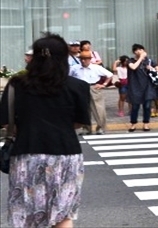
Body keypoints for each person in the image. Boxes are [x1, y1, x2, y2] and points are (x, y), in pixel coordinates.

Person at [0, 33, 90, 228]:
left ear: (35, 58)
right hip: (66, 154)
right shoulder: (78, 86)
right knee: (62, 214)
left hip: (27, 154)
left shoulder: (16, 85)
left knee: (25, 214)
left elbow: (7, 123)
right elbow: (79, 123)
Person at [69, 50, 114, 135]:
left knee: (98, 108)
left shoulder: (96, 67)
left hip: (93, 87)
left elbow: (110, 75)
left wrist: (103, 84)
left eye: (85, 59)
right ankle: (86, 128)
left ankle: (100, 127)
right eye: (81, 59)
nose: (83, 61)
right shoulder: (75, 68)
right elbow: (69, 77)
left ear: (90, 59)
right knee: (83, 109)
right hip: (80, 88)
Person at [126, 44, 155, 132]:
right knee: (135, 106)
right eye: (137, 50)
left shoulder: (149, 61)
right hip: (135, 86)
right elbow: (133, 67)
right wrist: (140, 58)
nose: (139, 51)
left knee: (147, 106)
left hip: (147, 86)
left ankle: (146, 123)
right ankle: (133, 123)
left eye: (141, 49)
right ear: (134, 52)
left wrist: (152, 68)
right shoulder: (130, 60)